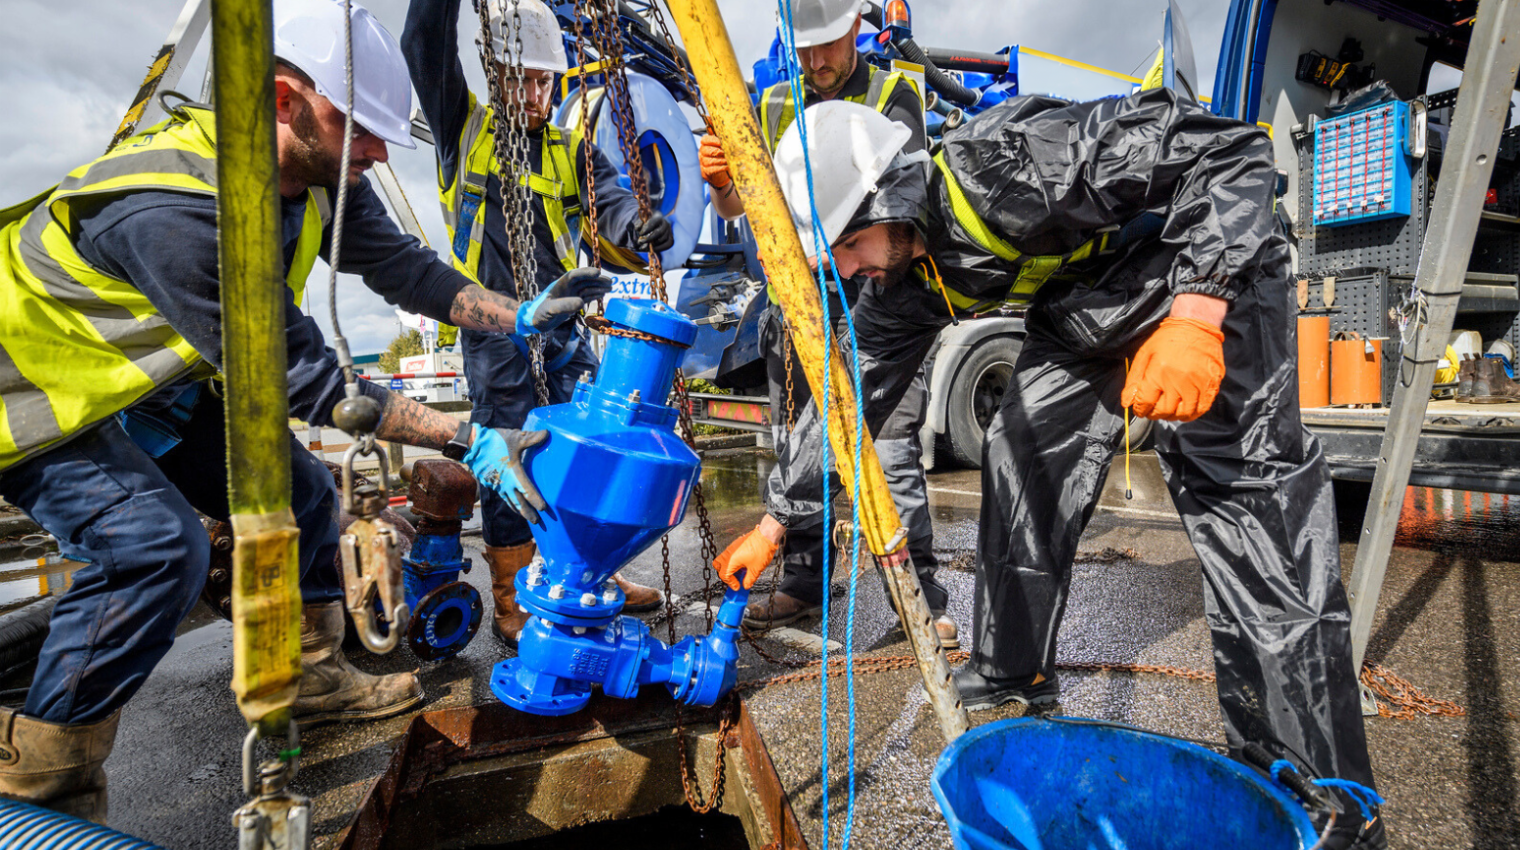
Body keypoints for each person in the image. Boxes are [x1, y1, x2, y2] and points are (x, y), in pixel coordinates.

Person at [715, 97, 1383, 848]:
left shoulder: (1011, 161)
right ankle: (1014, 672)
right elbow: (849, 400)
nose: (847, 268)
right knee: (1020, 450)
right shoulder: (897, 284)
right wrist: (776, 523)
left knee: (1245, 500)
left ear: (890, 198)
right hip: (1086, 313)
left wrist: (1196, 316)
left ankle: (1321, 789)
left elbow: (1232, 154)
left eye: (847, 242)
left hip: (1206, 268)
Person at [0, 0, 591, 821]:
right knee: (154, 550)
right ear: (284, 100)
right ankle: (42, 780)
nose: (381, 153)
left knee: (304, 490)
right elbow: (308, 382)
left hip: (141, 387)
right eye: (363, 129)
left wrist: (516, 314)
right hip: (34, 399)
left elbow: (406, 269)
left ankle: (309, 676)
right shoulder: (175, 210)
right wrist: (469, 436)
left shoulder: (319, 170)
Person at [403, 0, 674, 648]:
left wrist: (637, 227)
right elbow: (423, 41)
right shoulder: (461, 129)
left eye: (544, 81)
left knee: (589, 446)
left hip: (562, 324)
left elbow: (609, 208)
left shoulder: (568, 151)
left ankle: (587, 572)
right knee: (509, 454)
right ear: (493, 72)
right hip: (493, 331)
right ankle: (513, 598)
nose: (533, 93)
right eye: (521, 80)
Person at [698, 0, 953, 646]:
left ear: (855, 27)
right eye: (803, 47)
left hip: (872, 292)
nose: (815, 61)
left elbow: (896, 209)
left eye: (827, 45)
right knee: (797, 437)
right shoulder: (774, 101)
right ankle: (806, 581)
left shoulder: (895, 94)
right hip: (795, 300)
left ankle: (916, 598)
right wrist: (720, 180)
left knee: (888, 434)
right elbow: (739, 203)